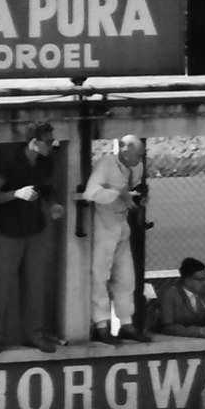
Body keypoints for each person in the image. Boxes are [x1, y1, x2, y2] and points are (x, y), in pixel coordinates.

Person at [0, 122, 63, 355]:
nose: (53, 144)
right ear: (34, 142)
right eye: (48, 141)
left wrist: (53, 205)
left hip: (34, 230)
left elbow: (47, 189)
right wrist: (16, 194)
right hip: (7, 233)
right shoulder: (9, 161)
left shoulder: (45, 162)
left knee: (35, 285)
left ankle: (35, 336)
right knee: (3, 286)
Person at [81, 134, 151, 345]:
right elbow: (90, 193)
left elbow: (136, 187)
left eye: (141, 155)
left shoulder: (136, 167)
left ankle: (126, 322)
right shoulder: (106, 164)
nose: (140, 159)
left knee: (126, 276)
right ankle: (101, 324)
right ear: (124, 150)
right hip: (104, 225)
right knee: (100, 275)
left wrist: (140, 196)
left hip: (122, 224)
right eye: (137, 154)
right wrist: (118, 193)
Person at [159, 257, 205, 339]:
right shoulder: (170, 294)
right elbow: (167, 327)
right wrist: (198, 332)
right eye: (200, 280)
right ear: (186, 279)